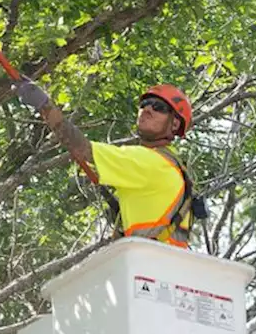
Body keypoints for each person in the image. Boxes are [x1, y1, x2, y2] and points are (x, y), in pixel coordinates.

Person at [15, 80, 200, 248]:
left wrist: (44, 105)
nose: (147, 109)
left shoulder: (150, 162)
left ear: (175, 124)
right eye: (144, 105)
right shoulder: (171, 165)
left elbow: (82, 148)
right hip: (161, 265)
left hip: (153, 265)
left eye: (159, 107)